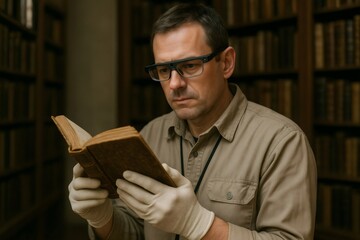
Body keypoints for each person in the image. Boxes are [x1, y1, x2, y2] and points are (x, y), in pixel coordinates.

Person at [68, 3, 317, 240]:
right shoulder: (150, 134)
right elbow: (135, 232)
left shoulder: (281, 141)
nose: (175, 84)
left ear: (227, 63)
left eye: (189, 65)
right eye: (164, 70)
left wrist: (199, 225)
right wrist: (102, 217)